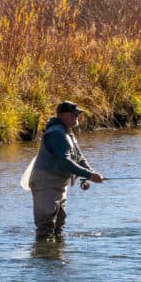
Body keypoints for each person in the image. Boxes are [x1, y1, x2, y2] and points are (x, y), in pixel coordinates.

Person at [30, 100, 104, 239]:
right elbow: (65, 162)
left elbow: (79, 157)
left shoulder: (67, 133)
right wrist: (89, 175)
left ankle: (56, 255)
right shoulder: (57, 134)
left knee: (59, 225)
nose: (77, 116)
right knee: (45, 226)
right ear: (61, 115)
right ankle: (42, 258)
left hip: (59, 185)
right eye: (73, 114)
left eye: (77, 114)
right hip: (46, 184)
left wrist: (90, 172)